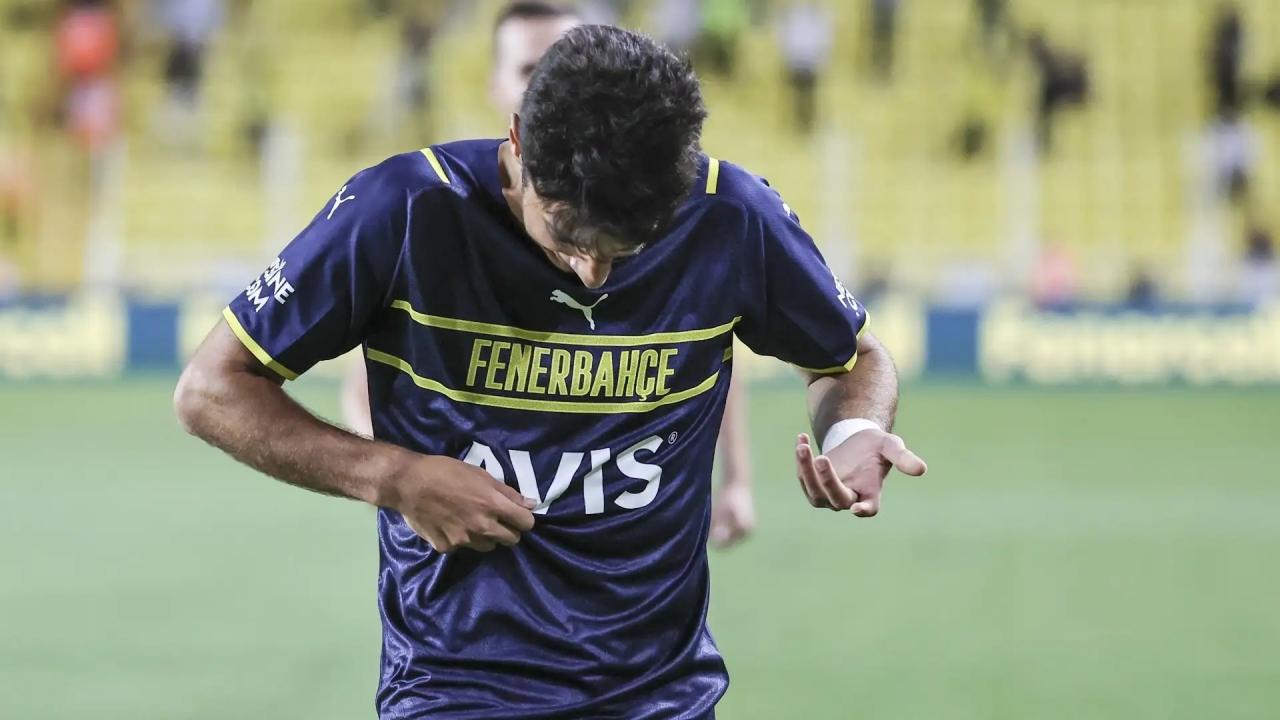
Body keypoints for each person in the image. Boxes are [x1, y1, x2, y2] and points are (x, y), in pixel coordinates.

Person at [175, 25, 927, 718]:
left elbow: (852, 359)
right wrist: (393, 477)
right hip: (454, 688)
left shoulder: (730, 216)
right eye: (568, 235)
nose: (593, 275)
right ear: (517, 144)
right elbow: (211, 389)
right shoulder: (403, 209)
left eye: (626, 247)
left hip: (660, 696)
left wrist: (853, 430)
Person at [342, 0, 757, 549]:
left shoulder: (658, 203)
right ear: (496, 86)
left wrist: (738, 479)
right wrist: (407, 483)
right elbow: (368, 381)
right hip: (474, 560)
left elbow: (704, 349)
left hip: (621, 568)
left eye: (562, 65)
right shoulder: (428, 213)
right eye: (528, 71)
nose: (548, 86)